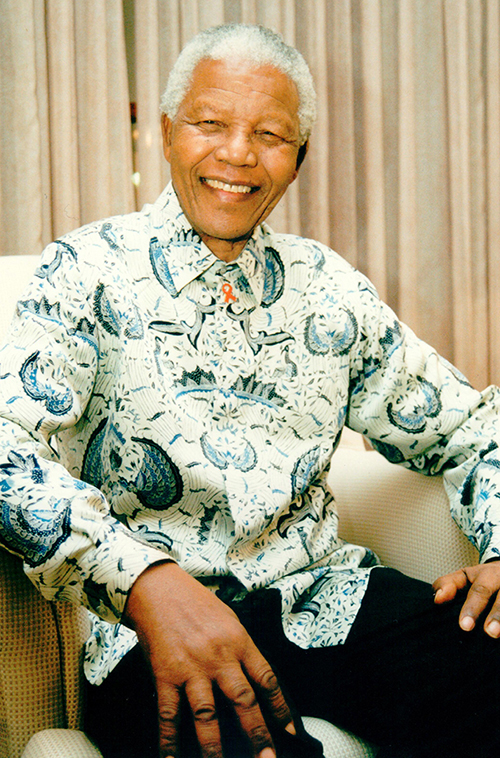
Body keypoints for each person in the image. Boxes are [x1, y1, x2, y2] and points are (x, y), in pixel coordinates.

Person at [1, 22, 500, 758]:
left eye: (269, 133)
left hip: (324, 604)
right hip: (157, 632)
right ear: (167, 133)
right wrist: (145, 582)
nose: (237, 153)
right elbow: (7, 451)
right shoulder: (85, 271)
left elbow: (469, 428)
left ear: (297, 159)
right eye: (210, 123)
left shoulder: (329, 289)